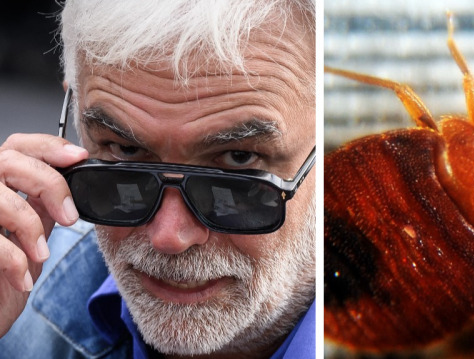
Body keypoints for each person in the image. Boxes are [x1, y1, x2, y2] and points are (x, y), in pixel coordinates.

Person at [0, 0, 316, 358]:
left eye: (238, 161)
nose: (170, 236)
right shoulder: (14, 289)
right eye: (126, 150)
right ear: (74, 115)